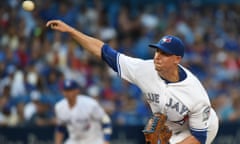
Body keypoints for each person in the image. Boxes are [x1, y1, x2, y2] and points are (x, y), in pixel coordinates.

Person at [46, 20, 219, 144]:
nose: (157, 57)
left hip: (201, 130)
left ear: (177, 59)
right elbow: (104, 51)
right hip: (171, 127)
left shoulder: (195, 94)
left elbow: (199, 138)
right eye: (157, 51)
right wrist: (71, 31)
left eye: (164, 54)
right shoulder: (144, 69)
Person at [54, 79, 112, 144]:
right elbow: (60, 127)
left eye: (70, 90)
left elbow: (105, 119)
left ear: (77, 91)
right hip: (74, 141)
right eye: (66, 90)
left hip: (94, 140)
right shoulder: (59, 107)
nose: (68, 93)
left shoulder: (90, 104)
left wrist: (106, 139)